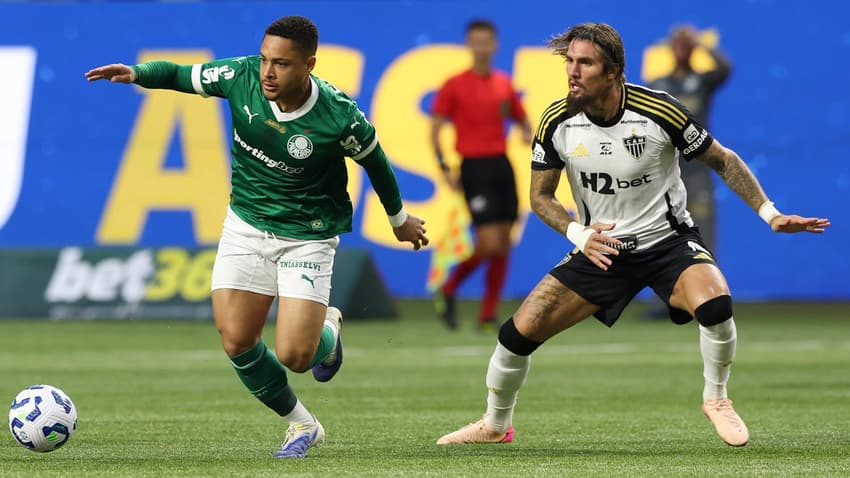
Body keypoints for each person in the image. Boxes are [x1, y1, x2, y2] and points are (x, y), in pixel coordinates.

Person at [436, 22, 829, 448]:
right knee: (515, 335)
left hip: (668, 243)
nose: (572, 71)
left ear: (613, 72)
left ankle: (717, 398)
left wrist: (770, 214)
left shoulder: (660, 110)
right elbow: (541, 197)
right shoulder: (557, 120)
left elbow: (723, 159)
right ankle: (495, 425)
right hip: (601, 249)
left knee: (716, 304)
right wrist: (578, 234)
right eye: (570, 61)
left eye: (584, 63)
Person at [86, 15, 428, 459]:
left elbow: (376, 162)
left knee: (296, 356)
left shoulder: (338, 116)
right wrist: (137, 73)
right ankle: (301, 425)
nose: (268, 72)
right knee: (237, 339)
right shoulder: (240, 76)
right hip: (246, 224)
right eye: (266, 59)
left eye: (281, 64)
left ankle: (328, 326)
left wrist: (398, 218)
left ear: (309, 65)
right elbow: (178, 75)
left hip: (308, 234)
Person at [430, 19, 533, 331]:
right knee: (487, 243)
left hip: (501, 165)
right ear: (468, 44)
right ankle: (448, 288)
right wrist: (444, 166)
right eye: (475, 41)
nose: (481, 47)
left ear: (494, 45)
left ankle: (487, 314)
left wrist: (526, 132)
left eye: (486, 41)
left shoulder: (503, 83)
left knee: (503, 243)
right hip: (473, 167)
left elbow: (520, 117)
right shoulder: (455, 84)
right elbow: (435, 129)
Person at [642, 25, 732, 318]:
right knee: (663, 234)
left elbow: (725, 68)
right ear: (670, 48)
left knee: (703, 232)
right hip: (666, 173)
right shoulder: (658, 84)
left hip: (696, 170)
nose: (682, 50)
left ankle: (709, 298)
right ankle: (666, 301)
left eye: (686, 45)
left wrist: (702, 44)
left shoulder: (702, 81)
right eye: (678, 45)